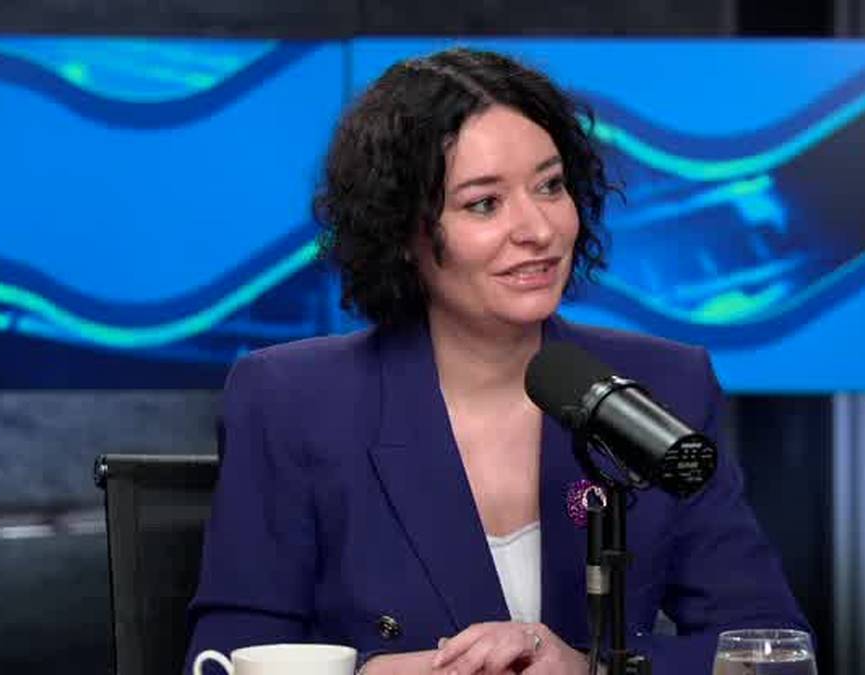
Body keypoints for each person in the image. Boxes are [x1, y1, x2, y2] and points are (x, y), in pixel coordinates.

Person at [185, 47, 807, 674]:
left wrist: (590, 668)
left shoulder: (663, 386)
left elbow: (773, 650)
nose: (538, 229)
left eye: (550, 186)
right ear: (403, 232)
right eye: (484, 203)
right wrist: (376, 672)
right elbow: (222, 658)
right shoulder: (293, 400)